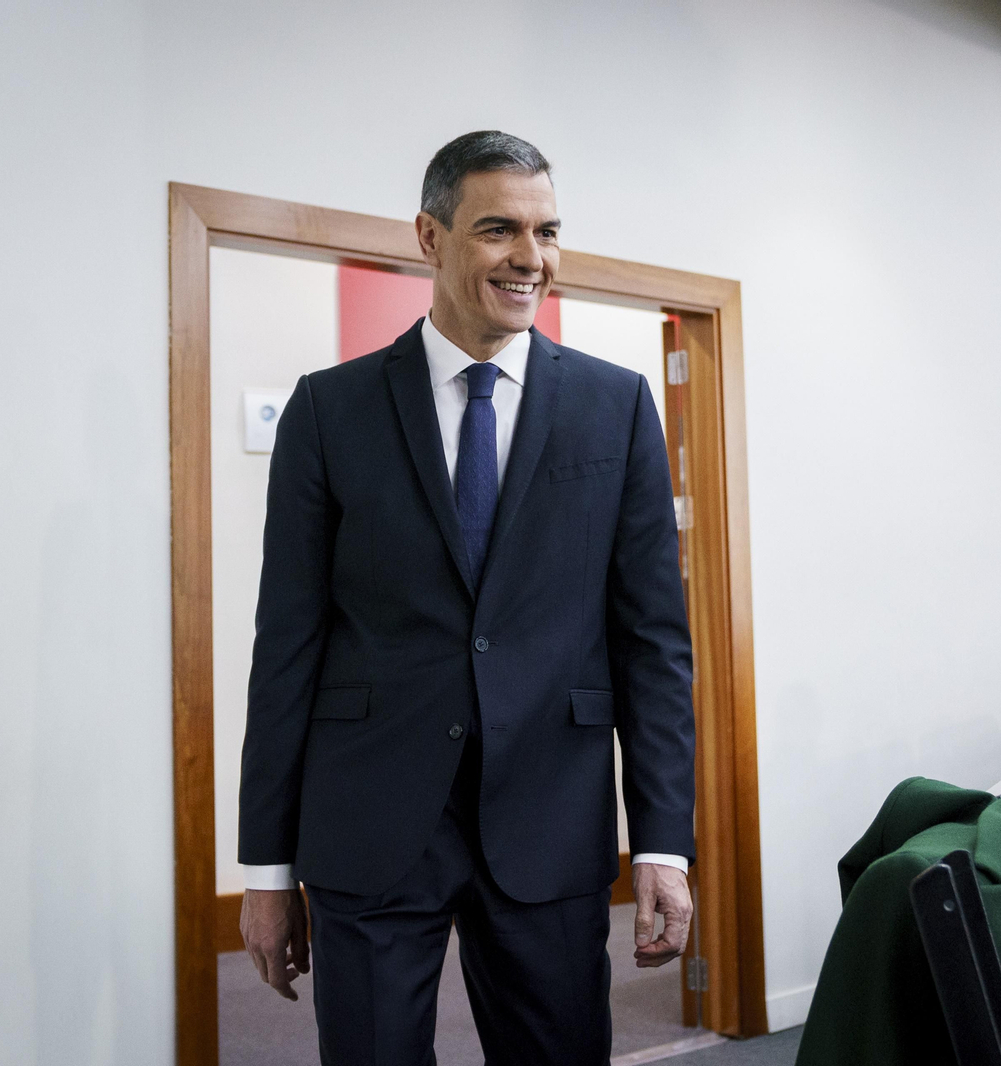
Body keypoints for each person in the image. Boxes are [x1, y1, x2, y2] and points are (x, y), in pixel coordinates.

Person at [235, 131, 697, 1065]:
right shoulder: (329, 411)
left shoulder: (617, 406)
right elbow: (286, 643)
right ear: (430, 236)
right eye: (499, 230)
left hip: (550, 820)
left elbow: (652, 640)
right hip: (369, 823)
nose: (531, 258)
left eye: (546, 231)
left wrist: (663, 843)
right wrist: (266, 869)